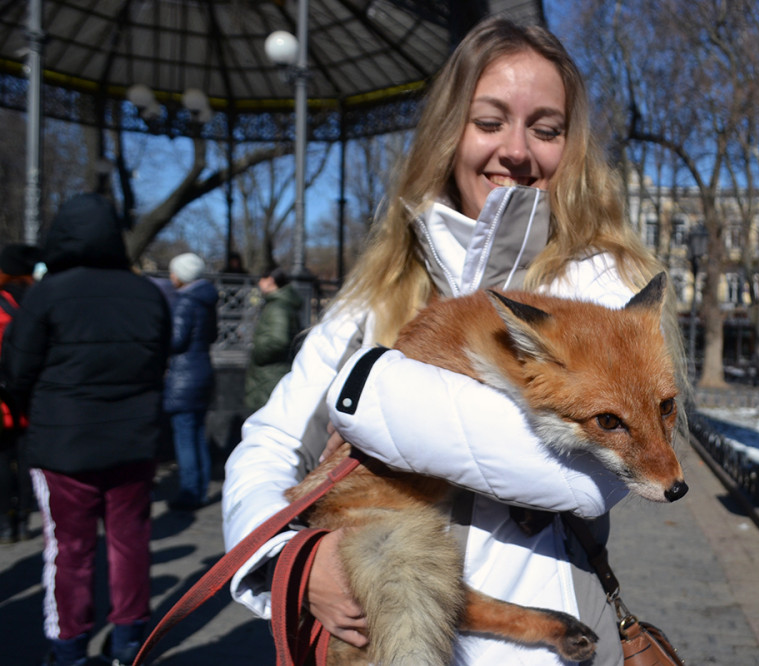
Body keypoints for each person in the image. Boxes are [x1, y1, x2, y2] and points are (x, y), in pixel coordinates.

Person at [222, 17, 689, 666]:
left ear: (571, 148)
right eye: (490, 121)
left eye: (546, 129)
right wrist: (293, 562)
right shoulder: (376, 292)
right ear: (449, 134)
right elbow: (269, 441)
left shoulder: (603, 286)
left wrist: (366, 390)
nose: (517, 151)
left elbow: (582, 483)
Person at [1, 193, 171, 666]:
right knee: (130, 542)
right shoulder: (145, 292)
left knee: (69, 550)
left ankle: (69, 647)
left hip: (63, 447)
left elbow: (17, 370)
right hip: (133, 442)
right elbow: (158, 361)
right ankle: (129, 641)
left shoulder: (48, 293)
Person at [164, 252, 219, 511]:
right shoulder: (207, 299)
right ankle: (200, 489)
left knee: (185, 437)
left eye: (174, 272)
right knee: (197, 434)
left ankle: (189, 492)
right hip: (202, 371)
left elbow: (176, 340)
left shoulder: (185, 301)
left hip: (183, 377)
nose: (170, 276)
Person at [0, 242, 41, 543]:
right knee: (27, 456)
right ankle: (26, 518)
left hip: (4, 396)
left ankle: (5, 521)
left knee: (2, 458)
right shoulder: (41, 300)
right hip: (33, 394)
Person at [243, 267, 303, 413]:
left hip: (269, 376)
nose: (258, 283)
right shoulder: (279, 303)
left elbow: (277, 340)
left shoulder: (278, 306)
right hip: (272, 373)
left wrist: (258, 354)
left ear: (270, 281)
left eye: (261, 279)